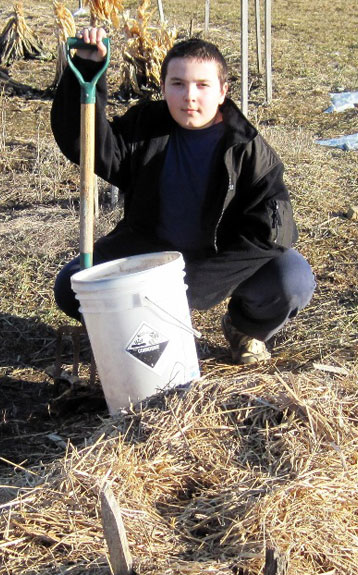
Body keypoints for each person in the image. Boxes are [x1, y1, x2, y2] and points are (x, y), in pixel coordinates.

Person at [51, 27, 315, 364]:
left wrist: (193, 289)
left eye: (202, 85)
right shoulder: (146, 127)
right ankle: (132, 331)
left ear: (223, 91)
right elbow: (85, 143)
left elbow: (275, 233)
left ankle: (243, 328)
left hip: (218, 258)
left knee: (292, 278)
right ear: (163, 88)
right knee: (74, 288)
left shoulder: (247, 149)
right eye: (178, 84)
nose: (190, 96)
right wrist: (87, 69)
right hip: (148, 251)